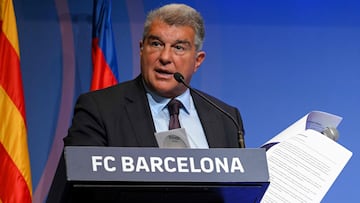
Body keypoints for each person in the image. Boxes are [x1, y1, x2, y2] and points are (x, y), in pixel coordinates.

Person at [47, 3, 245, 202]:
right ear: (142, 48)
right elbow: (80, 190)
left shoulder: (226, 119)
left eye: (178, 47)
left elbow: (241, 191)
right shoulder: (100, 110)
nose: (165, 57)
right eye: (156, 44)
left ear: (198, 60)